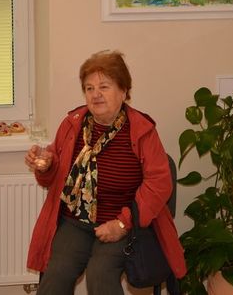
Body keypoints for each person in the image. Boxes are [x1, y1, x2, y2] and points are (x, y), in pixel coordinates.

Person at [25, 50, 187, 294]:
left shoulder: (142, 130)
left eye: (104, 87)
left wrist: (122, 224)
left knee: (100, 274)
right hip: (76, 221)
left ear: (123, 91)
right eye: (89, 88)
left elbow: (159, 183)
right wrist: (46, 166)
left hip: (121, 221)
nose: (95, 94)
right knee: (56, 273)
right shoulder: (72, 124)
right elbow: (54, 174)